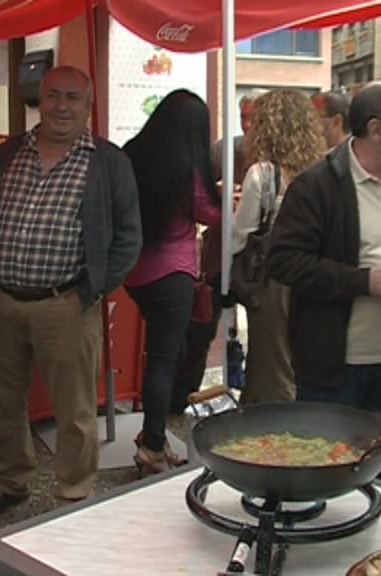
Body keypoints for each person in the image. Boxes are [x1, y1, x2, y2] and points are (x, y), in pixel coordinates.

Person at [0, 66, 141, 520]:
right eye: (53, 96)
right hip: (3, 300)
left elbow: (128, 235)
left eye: (72, 98)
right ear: (39, 101)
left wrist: (93, 289)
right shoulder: (10, 153)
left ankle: (75, 494)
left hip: (66, 303)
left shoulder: (108, 161)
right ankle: (12, 481)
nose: (61, 106)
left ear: (88, 106)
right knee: (0, 402)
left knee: (76, 410)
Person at [266, 81, 381, 484]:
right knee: (326, 469)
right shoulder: (318, 186)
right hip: (335, 366)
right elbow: (283, 261)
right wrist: (364, 281)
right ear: (377, 129)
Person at [122, 90, 221, 473]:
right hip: (172, 274)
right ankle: (151, 445)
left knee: (165, 354)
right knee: (165, 361)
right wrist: (229, 201)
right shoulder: (188, 167)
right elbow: (208, 214)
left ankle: (153, 431)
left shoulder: (134, 153)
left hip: (135, 274)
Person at [232, 90, 326, 405]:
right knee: (302, 359)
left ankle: (273, 433)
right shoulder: (323, 170)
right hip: (315, 271)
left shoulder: (263, 174)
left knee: (272, 363)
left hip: (273, 278)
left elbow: (241, 233)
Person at [170, 92, 258, 413]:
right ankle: (182, 395)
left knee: (259, 331)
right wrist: (223, 193)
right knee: (202, 324)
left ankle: (252, 397)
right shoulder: (226, 149)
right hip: (220, 250)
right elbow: (202, 190)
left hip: (257, 259)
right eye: (243, 116)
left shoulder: (278, 153)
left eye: (253, 117)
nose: (247, 124)